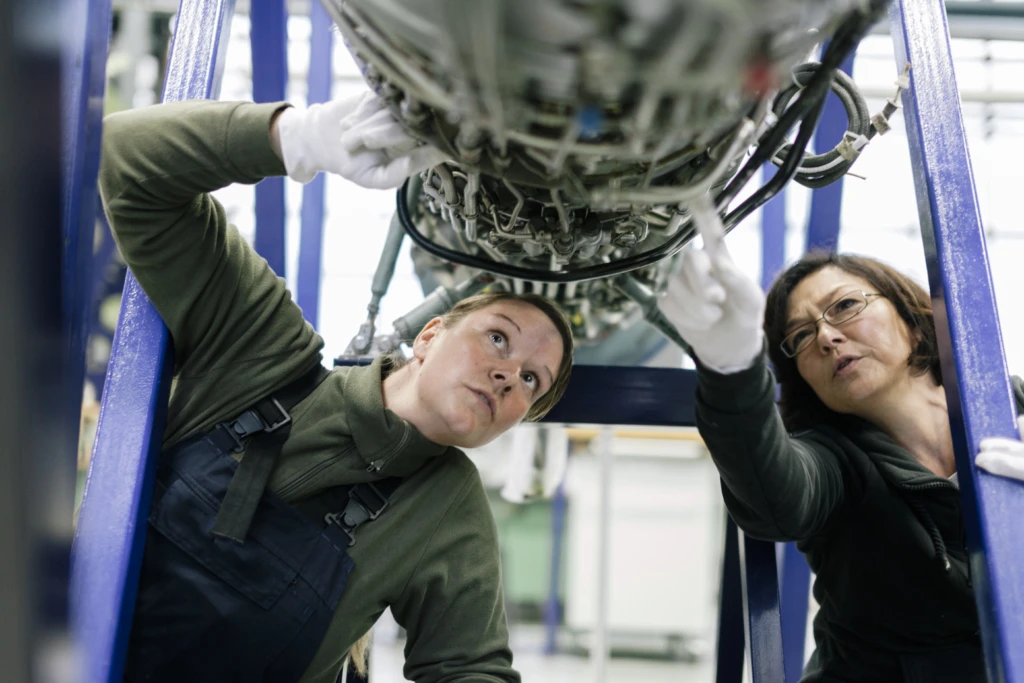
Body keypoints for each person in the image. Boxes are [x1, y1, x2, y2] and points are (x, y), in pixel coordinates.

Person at [98, 90, 574, 683]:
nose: (508, 374)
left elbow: (470, 669)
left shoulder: (447, 508)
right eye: (498, 338)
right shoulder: (261, 350)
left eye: (532, 380)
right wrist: (298, 138)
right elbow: (126, 161)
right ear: (428, 336)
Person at [658, 203, 1024, 683]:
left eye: (845, 306)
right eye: (802, 336)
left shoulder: (1008, 402)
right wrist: (731, 366)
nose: (827, 337)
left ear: (912, 321)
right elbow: (776, 495)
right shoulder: (833, 463)